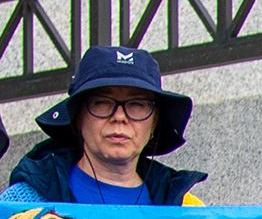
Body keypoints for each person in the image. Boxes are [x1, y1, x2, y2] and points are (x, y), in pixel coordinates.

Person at [5, 45, 206, 206]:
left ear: (154, 123)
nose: (119, 117)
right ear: (78, 118)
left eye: (137, 105)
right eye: (102, 103)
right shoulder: (23, 205)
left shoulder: (187, 211)